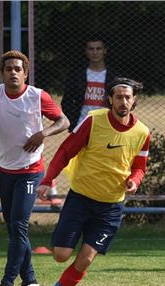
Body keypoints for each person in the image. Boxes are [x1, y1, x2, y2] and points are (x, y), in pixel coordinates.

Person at [36, 78, 150, 286]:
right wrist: (47, 180)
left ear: (134, 100)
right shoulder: (94, 120)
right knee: (61, 255)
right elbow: (66, 150)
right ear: (110, 99)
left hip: (111, 206)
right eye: (118, 97)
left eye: (128, 97)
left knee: (86, 259)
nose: (123, 101)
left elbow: (140, 166)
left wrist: (135, 181)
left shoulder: (142, 132)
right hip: (81, 198)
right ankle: (62, 239)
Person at [0, 50, 69, 286]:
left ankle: (7, 283)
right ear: (2, 73)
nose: (13, 72)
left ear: (25, 73)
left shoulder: (37, 96)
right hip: (6, 170)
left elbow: (64, 121)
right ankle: (31, 280)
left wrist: (43, 134)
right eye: (8, 69)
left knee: (18, 225)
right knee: (15, 229)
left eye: (17, 69)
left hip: (31, 170)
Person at [42, 35, 118, 209]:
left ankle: (102, 200)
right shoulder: (77, 75)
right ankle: (61, 195)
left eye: (98, 48)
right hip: (82, 127)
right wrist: (73, 124)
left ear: (105, 51)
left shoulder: (113, 77)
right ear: (86, 52)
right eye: (91, 48)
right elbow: (67, 101)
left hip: (105, 129)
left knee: (103, 165)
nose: (95, 52)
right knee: (72, 162)